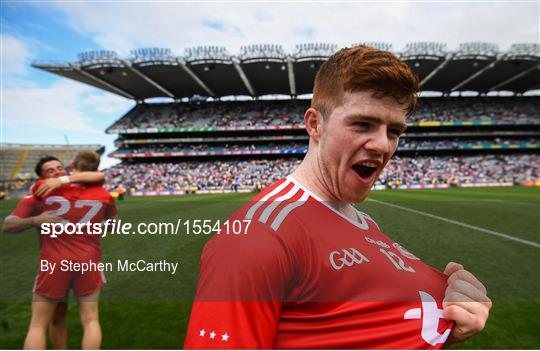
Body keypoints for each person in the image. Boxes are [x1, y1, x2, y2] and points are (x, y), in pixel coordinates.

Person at [184, 45, 491, 349]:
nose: (383, 145)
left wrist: (449, 325)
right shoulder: (261, 235)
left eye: (394, 131)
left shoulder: (364, 223)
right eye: (363, 124)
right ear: (315, 124)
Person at [3, 152, 117, 349]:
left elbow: (8, 225)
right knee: (90, 320)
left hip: (54, 263)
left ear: (70, 167)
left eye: (59, 168)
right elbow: (112, 220)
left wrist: (33, 220)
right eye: (50, 171)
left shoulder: (40, 190)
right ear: (43, 177)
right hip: (88, 261)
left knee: (38, 325)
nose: (56, 172)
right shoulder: (101, 194)